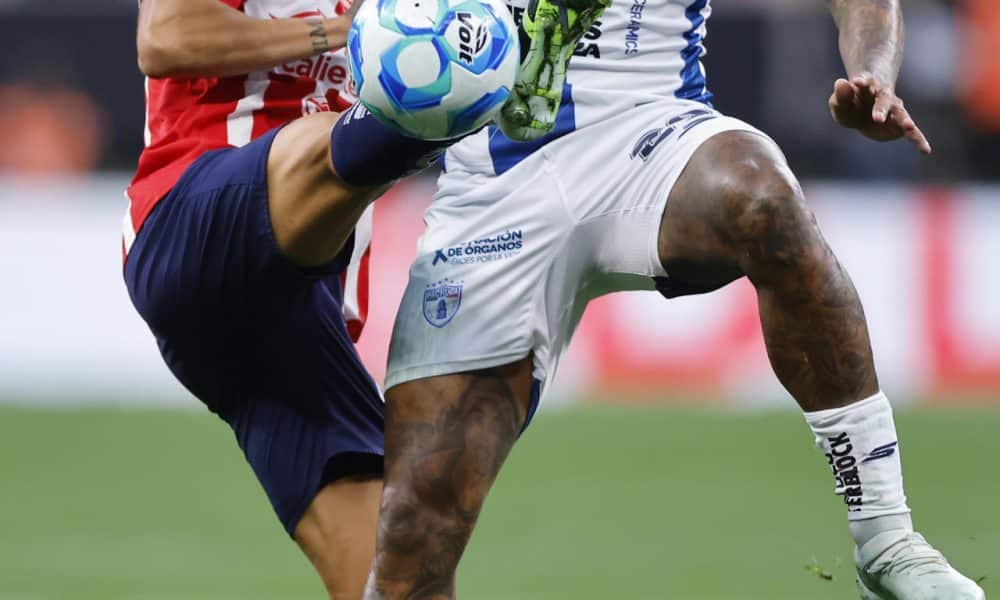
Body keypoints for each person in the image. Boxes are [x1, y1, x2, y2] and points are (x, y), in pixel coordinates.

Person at [373, 1, 987, 599]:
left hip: (651, 133)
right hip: (492, 186)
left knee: (761, 197)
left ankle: (885, 537)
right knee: (413, 535)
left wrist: (873, 71)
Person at [123, 0, 594, 596]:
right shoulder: (384, 22)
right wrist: (343, 34)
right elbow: (165, 39)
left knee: (404, 577)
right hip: (195, 218)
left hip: (293, 320)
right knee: (409, 85)